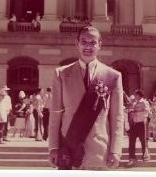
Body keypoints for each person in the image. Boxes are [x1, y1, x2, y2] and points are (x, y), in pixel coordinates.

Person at [49, 25, 124, 170]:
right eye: (84, 42)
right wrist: (53, 147)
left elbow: (117, 118)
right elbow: (55, 114)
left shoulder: (113, 76)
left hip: (100, 153)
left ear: (99, 45)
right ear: (76, 44)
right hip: (69, 151)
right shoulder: (61, 74)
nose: (88, 47)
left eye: (93, 42)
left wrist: (115, 151)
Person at [126, 89, 151, 167]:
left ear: (140, 95)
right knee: (131, 141)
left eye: (136, 94)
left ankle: (145, 156)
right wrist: (130, 111)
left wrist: (136, 112)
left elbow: (147, 112)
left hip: (141, 124)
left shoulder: (144, 102)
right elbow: (131, 111)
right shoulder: (134, 102)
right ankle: (132, 157)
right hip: (134, 124)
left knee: (143, 141)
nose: (135, 95)